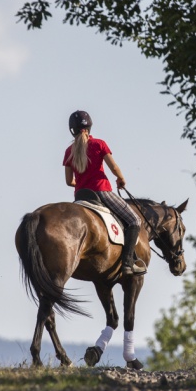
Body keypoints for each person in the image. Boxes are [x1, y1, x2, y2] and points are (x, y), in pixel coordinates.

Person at [63, 110, 146, 276]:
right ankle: (128, 263)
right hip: (102, 192)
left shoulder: (69, 151)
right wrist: (121, 179)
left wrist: (81, 182)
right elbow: (113, 168)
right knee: (135, 220)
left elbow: (68, 181)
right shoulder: (99, 144)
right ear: (89, 127)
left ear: (72, 129)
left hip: (80, 195)